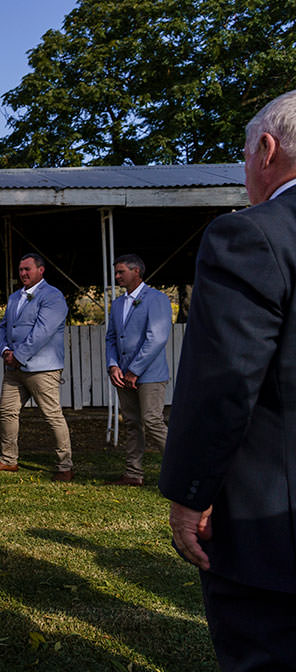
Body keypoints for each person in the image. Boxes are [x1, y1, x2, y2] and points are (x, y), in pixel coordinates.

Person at [160, 89, 296, 670]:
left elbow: (223, 386)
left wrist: (192, 494)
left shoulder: (250, 236)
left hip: (273, 536)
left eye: (244, 155)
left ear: (266, 150)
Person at [0, 253, 73, 481]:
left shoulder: (53, 296)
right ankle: (9, 460)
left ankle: (65, 466)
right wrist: (4, 351)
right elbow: (3, 327)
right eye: (21, 270)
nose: (23, 273)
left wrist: (18, 355)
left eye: (27, 269)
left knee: (52, 416)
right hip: (14, 369)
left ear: (41, 270)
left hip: (42, 368)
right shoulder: (14, 297)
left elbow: (42, 332)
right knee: (7, 411)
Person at [104, 253, 172, 486]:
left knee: (152, 421)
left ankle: (183, 468)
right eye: (116, 272)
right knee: (132, 423)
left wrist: (135, 369)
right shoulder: (118, 303)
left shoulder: (157, 299)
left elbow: (157, 338)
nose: (117, 276)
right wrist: (113, 365)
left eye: (121, 271)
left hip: (150, 374)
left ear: (137, 272)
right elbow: (111, 337)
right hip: (122, 374)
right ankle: (133, 474)